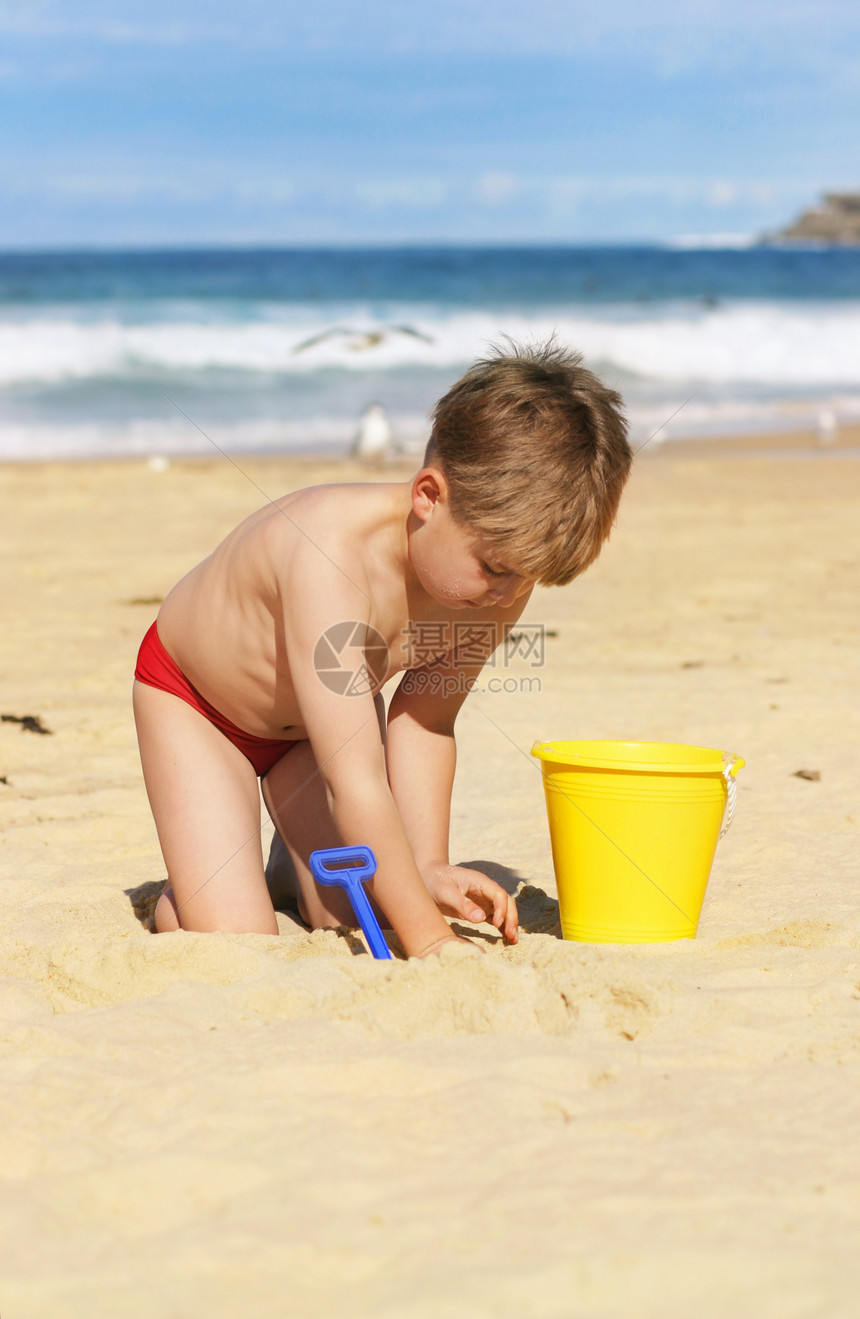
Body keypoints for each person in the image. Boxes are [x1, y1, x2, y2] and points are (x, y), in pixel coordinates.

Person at [133, 339, 631, 958]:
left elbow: (426, 718)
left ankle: (294, 866)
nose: (510, 595)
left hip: (316, 733)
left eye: (530, 577)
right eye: (496, 567)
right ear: (428, 496)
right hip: (199, 706)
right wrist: (429, 938)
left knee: (346, 915)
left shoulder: (497, 586)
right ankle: (189, 894)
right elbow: (358, 780)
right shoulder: (330, 557)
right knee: (236, 935)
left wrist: (425, 867)